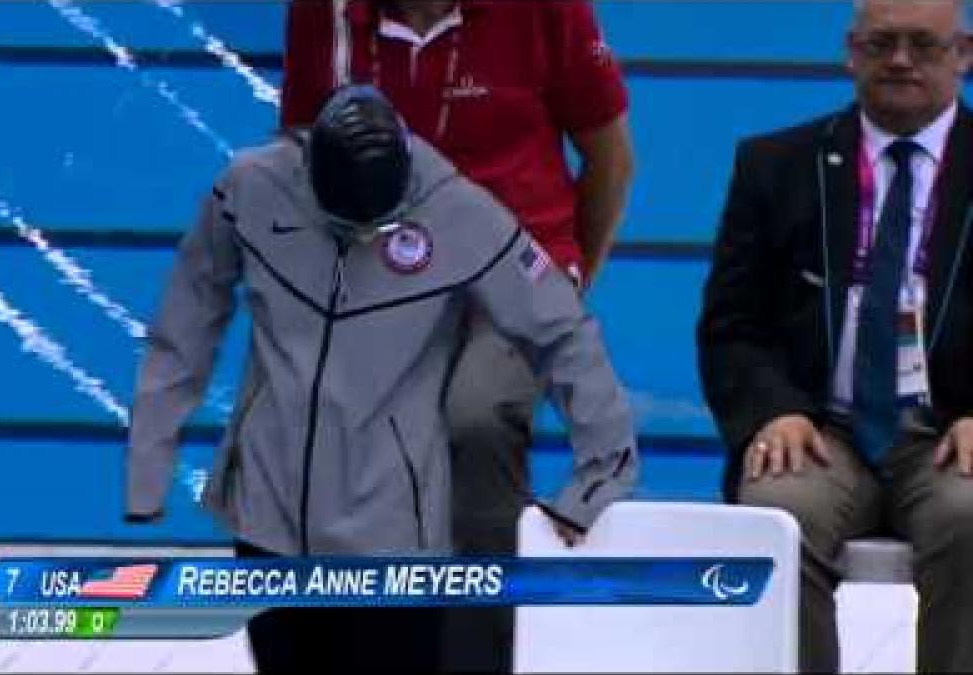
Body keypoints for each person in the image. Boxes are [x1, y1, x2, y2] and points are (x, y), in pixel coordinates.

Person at [124, 85, 637, 673]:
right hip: (267, 516)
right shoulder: (248, 188)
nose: (362, 239)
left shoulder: (463, 215)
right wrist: (149, 465)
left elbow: (562, 332)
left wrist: (600, 475)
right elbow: (185, 323)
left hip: (395, 535)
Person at [280, 2, 635, 668]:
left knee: (474, 419)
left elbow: (611, 160)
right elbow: (303, 160)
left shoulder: (546, 10)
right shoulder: (323, 14)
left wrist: (566, 282)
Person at [698, 1, 973, 671]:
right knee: (778, 513)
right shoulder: (775, 164)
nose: (901, 60)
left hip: (949, 434)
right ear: (850, 52)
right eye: (881, 44)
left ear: (963, 54)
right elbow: (732, 324)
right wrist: (773, 409)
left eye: (923, 45)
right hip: (825, 430)